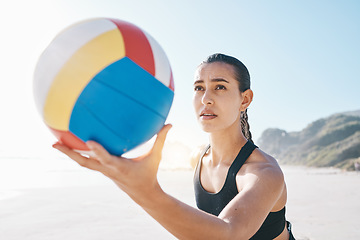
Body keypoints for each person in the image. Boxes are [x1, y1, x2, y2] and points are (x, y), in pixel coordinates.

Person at [53, 53, 295, 239]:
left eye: (220, 87)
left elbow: (230, 234)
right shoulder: (197, 158)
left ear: (245, 99)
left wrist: (145, 190)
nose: (205, 99)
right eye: (199, 88)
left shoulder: (264, 173)